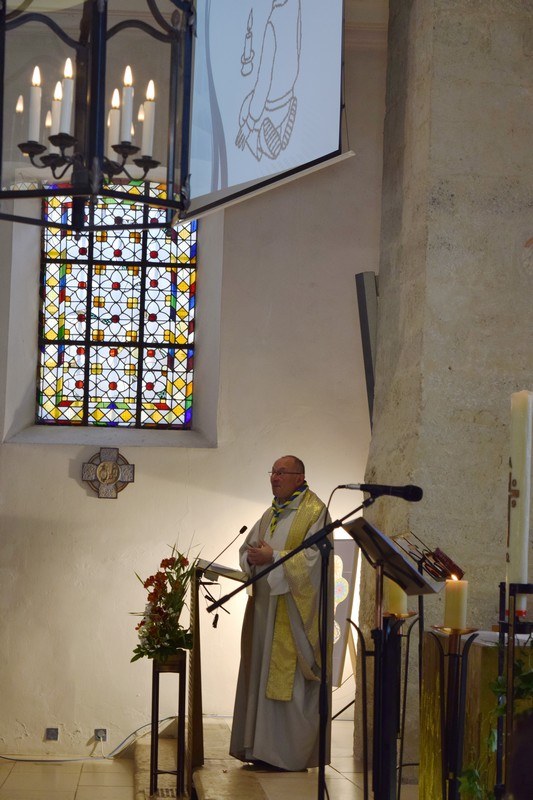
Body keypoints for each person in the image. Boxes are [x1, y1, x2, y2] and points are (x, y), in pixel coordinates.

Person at [229, 455, 332, 771]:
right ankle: (260, 749)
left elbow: (316, 559)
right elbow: (247, 549)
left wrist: (274, 557)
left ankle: (286, 755)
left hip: (293, 612)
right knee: (260, 673)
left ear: (299, 477)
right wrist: (252, 558)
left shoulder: (315, 512)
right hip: (264, 609)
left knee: (289, 681)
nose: (274, 477)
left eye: (281, 472)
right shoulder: (270, 513)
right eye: (272, 472)